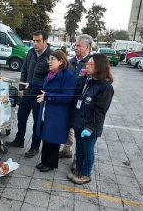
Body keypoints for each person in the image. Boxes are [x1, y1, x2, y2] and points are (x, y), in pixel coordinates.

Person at [20, 50, 76, 172]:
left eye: (52, 59)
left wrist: (48, 96)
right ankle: (44, 161)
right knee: (46, 137)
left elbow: (67, 96)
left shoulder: (68, 76)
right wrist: (32, 85)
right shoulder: (51, 74)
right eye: (49, 59)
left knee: (53, 139)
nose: (49, 62)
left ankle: (50, 164)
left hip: (58, 114)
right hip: (47, 111)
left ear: (61, 61)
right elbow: (44, 88)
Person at [67, 54, 114, 184]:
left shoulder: (105, 87)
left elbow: (100, 111)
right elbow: (77, 98)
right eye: (88, 63)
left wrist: (90, 127)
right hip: (79, 123)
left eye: (91, 64)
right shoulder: (87, 80)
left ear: (100, 66)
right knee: (80, 149)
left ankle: (86, 174)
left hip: (90, 127)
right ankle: (79, 170)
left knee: (87, 150)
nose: (87, 65)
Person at [5, 30, 50, 158]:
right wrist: (21, 88)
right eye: (33, 41)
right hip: (26, 93)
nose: (35, 44)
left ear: (45, 41)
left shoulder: (50, 56)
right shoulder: (30, 53)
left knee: (37, 123)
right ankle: (19, 140)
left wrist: (44, 93)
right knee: (21, 117)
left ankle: (35, 147)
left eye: (38, 41)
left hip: (38, 96)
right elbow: (24, 70)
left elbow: (50, 78)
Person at [59, 34, 94, 159]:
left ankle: (77, 159)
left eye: (79, 45)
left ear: (87, 47)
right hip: (69, 100)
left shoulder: (91, 63)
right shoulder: (71, 62)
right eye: (75, 45)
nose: (75, 47)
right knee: (68, 126)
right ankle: (67, 149)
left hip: (83, 103)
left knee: (79, 130)